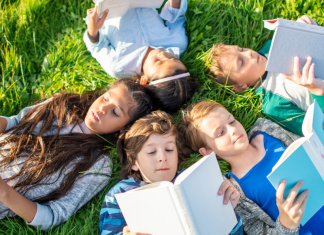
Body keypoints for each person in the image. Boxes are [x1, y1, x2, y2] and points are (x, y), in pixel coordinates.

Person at [0, 78, 152, 231]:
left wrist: (4, 192)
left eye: (115, 112)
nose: (102, 108)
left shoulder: (98, 165)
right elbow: (17, 121)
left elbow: (52, 217)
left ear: (124, 127)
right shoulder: (61, 103)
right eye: (106, 98)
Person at [180, 100, 324, 235]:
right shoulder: (234, 192)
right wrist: (287, 224)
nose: (233, 129)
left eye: (232, 121)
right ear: (208, 152)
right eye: (220, 133)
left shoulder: (266, 130)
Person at [99, 111, 244, 235]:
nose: (162, 157)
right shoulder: (120, 195)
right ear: (134, 163)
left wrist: (228, 210)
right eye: (151, 152)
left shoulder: (193, 179)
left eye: (169, 150)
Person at [207, 15, 324, 136]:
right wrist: (318, 90)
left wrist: (307, 31)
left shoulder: (273, 46)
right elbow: (317, 131)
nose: (249, 54)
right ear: (240, 86)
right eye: (241, 62)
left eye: (241, 49)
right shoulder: (273, 106)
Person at [83, 0, 197, 112]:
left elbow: (97, 47)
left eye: (158, 62)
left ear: (144, 80)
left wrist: (93, 30)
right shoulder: (178, 43)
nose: (162, 53)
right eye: (173, 58)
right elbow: (177, 18)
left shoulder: (119, 65)